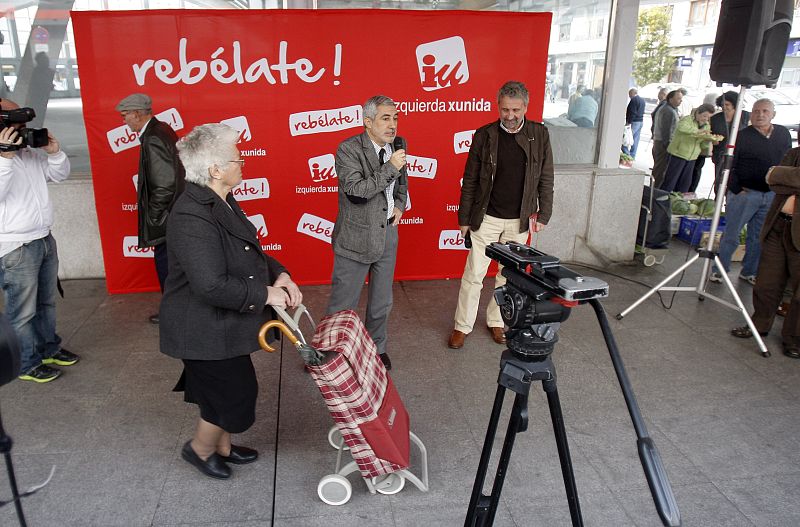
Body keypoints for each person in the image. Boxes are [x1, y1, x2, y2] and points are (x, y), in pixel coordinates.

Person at [160, 123, 302, 480]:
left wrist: (280, 274)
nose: (244, 163)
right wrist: (267, 294)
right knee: (235, 395)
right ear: (215, 170)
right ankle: (200, 449)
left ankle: (221, 447)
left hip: (221, 324)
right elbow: (210, 285)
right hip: (201, 327)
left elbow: (247, 251)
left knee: (221, 391)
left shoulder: (219, 198)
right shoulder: (192, 214)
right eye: (238, 158)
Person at [448, 81, 554, 350]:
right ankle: (462, 326)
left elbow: (546, 177)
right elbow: (470, 179)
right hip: (487, 217)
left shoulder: (539, 134)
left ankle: (496, 322)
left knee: (507, 277)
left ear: (525, 108)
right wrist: (464, 219)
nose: (510, 115)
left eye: (515, 110)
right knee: (474, 274)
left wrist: (544, 214)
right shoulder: (484, 135)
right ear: (498, 106)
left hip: (519, 219)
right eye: (505, 109)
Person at [0, 98, 79, 383]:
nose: (22, 131)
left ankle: (48, 349)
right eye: (16, 125)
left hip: (44, 238)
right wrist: (5, 158)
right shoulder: (5, 157)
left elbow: (59, 174)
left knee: (46, 303)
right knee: (21, 312)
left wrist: (54, 153)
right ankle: (26, 364)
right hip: (15, 247)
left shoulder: (28, 152)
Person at [327, 95, 408, 371]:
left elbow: (403, 182)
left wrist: (399, 204)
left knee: (382, 302)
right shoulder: (348, 149)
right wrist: (391, 167)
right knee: (343, 304)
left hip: (387, 235)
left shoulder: (398, 147)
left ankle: (377, 347)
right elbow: (357, 193)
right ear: (368, 121)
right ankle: (331, 352)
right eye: (386, 118)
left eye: (395, 118)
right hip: (355, 238)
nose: (393, 125)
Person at [116, 93, 186, 324]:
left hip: (166, 216)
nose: (124, 120)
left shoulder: (153, 137)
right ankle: (178, 309)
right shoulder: (161, 129)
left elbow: (165, 184)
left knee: (166, 264)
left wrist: (155, 216)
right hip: (174, 213)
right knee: (173, 264)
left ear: (136, 114)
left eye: (125, 115)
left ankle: (174, 313)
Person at [710, 99, 792, 284]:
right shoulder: (741, 136)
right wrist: (737, 190)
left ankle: (749, 271)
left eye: (764, 111)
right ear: (751, 114)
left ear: (773, 114)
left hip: (770, 195)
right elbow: (727, 165)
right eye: (756, 111)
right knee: (731, 235)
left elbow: (787, 162)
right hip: (745, 195)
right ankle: (719, 271)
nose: (760, 115)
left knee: (758, 237)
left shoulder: (783, 134)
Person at [731, 151, 800, 358]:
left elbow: (779, 177)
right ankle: (759, 325)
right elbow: (771, 179)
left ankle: (794, 339)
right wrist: (782, 177)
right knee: (766, 282)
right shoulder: (793, 154)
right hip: (778, 225)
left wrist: (783, 177)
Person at [660, 104, 717, 193]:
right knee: (670, 181)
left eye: (708, 117)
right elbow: (682, 128)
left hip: (692, 158)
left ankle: (677, 202)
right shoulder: (687, 119)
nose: (705, 119)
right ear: (698, 112)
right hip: (678, 154)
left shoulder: (706, 126)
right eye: (704, 116)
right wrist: (698, 131)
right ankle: (662, 201)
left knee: (685, 184)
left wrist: (708, 140)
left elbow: (702, 145)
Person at [710, 91, 750, 198]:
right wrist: (712, 140)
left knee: (735, 181)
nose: (724, 107)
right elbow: (710, 135)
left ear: (734, 104)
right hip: (720, 154)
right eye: (722, 105)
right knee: (719, 181)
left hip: (739, 155)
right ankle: (717, 202)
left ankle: (730, 202)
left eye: (727, 105)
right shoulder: (715, 119)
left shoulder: (745, 116)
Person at [651, 89, 683, 188]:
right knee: (660, 170)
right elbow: (666, 131)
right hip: (663, 143)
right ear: (670, 99)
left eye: (681, 99)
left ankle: (654, 189)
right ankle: (654, 191)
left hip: (662, 142)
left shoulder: (671, 109)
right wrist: (668, 146)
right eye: (678, 98)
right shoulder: (667, 110)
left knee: (660, 169)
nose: (680, 101)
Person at [622, 88, 645, 159]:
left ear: (633, 93)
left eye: (629, 94)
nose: (629, 96)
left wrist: (628, 122)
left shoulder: (634, 100)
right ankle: (632, 155)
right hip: (640, 121)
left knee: (626, 137)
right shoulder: (642, 100)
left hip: (634, 122)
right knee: (635, 139)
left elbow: (632, 112)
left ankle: (627, 154)